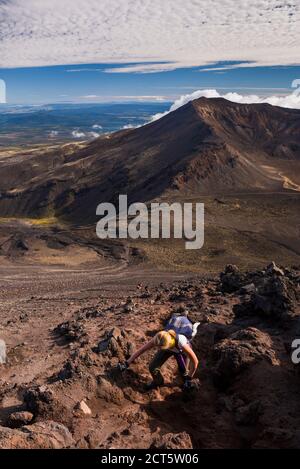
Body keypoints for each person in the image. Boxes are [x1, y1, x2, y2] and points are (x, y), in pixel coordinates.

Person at [119, 314, 199, 391]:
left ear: (167, 345)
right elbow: (141, 350)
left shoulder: (182, 343)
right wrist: (127, 363)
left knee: (183, 372)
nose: (158, 348)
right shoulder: (159, 337)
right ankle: (158, 382)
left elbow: (195, 362)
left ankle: (185, 383)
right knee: (153, 367)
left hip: (180, 351)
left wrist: (189, 377)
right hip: (168, 347)